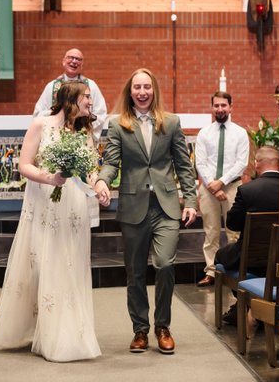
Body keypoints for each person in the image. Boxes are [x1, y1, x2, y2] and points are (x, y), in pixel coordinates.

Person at [0, 81, 101, 362]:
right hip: (44, 203)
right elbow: (24, 164)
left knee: (71, 264)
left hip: (74, 205)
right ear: (71, 98)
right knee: (45, 263)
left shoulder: (84, 131)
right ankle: (44, 328)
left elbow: (90, 169)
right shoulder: (41, 124)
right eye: (87, 97)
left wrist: (99, 184)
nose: (91, 101)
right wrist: (50, 178)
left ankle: (69, 333)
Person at [95, 68, 197, 354]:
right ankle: (140, 330)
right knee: (135, 272)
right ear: (130, 92)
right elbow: (111, 161)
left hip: (166, 207)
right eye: (137, 87)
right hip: (133, 207)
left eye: (147, 87)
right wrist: (102, 180)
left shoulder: (171, 123)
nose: (142, 92)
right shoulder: (118, 125)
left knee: (164, 265)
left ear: (154, 91)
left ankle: (162, 326)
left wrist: (190, 200)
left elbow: (183, 165)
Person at [215, 146, 279, 325]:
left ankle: (244, 305)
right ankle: (250, 308)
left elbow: (232, 223)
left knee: (220, 255)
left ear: (256, 164)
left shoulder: (247, 190)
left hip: (251, 261)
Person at [195, 91, 249, 287]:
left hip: (233, 188)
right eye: (216, 105)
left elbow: (241, 163)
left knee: (234, 232)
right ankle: (211, 271)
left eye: (223, 105)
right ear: (212, 108)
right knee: (211, 232)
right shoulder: (204, 133)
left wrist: (222, 182)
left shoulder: (240, 133)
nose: (220, 109)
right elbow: (200, 163)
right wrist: (213, 185)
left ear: (231, 107)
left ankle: (233, 272)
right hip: (208, 189)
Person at [33, 48, 107, 142]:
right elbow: (39, 113)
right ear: (63, 61)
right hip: (56, 137)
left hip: (83, 137)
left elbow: (100, 113)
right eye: (71, 57)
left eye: (78, 59)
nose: (74, 61)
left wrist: (84, 129)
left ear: (82, 64)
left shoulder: (91, 86)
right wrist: (57, 119)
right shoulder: (52, 87)